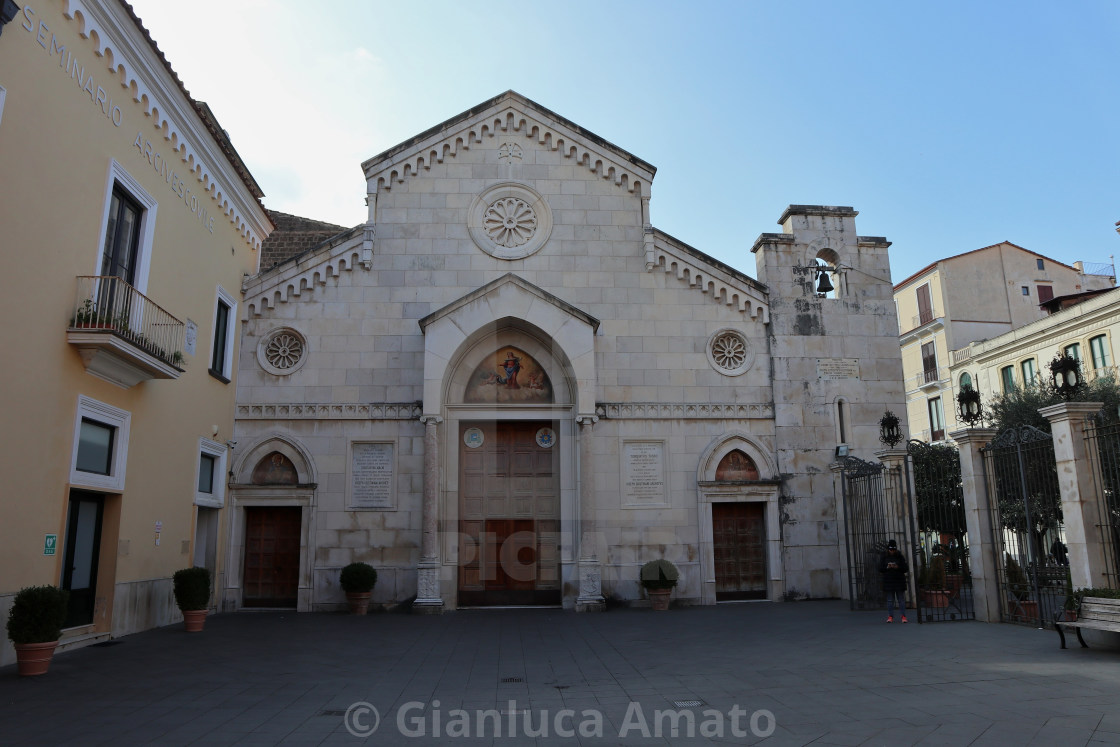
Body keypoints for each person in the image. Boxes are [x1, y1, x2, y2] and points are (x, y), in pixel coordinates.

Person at [878, 539, 909, 623]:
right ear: (888, 549)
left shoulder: (900, 556)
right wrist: (887, 567)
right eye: (891, 550)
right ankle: (890, 616)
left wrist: (897, 567)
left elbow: (905, 568)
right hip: (889, 580)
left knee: (901, 600)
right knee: (890, 600)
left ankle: (903, 616)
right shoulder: (884, 556)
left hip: (898, 580)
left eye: (893, 550)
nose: (892, 551)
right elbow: (880, 568)